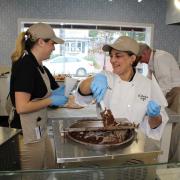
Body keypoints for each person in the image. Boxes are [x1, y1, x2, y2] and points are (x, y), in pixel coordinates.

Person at [75, 36, 168, 141]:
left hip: (134, 143)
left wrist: (154, 115)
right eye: (111, 56)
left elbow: (155, 126)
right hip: (104, 139)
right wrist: (94, 80)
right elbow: (81, 95)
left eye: (118, 56)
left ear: (132, 58)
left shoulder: (148, 85)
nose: (112, 60)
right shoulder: (106, 77)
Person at [10, 22, 68, 169]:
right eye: (52, 43)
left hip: (38, 128)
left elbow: (38, 94)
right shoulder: (25, 66)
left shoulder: (38, 65)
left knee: (50, 165)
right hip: (27, 133)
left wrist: (56, 93)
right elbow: (21, 107)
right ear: (41, 42)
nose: (54, 48)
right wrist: (51, 99)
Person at [138, 43, 180, 162]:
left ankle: (172, 160)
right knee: (167, 126)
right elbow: (148, 79)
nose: (141, 62)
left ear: (145, 53)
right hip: (168, 92)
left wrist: (156, 100)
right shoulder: (152, 60)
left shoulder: (160, 58)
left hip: (176, 93)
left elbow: (165, 84)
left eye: (140, 58)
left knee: (173, 126)